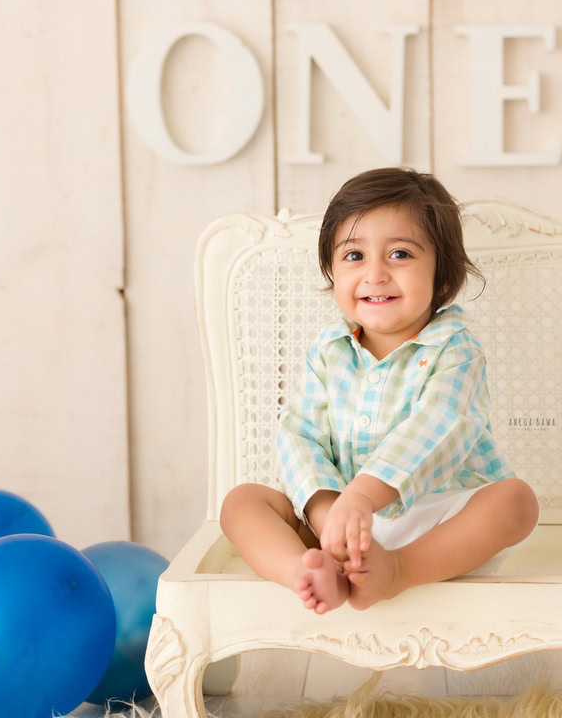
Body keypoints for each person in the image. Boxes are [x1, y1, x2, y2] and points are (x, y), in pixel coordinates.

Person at [219, 167, 539, 614]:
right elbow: (301, 435)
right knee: (242, 502)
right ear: (331, 269)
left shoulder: (455, 348)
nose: (375, 274)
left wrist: (363, 498)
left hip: (437, 522)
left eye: (400, 254)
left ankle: (399, 571)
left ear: (441, 274)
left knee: (515, 501)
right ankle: (307, 572)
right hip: (339, 523)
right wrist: (328, 513)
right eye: (354, 256)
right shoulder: (329, 350)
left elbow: (441, 426)